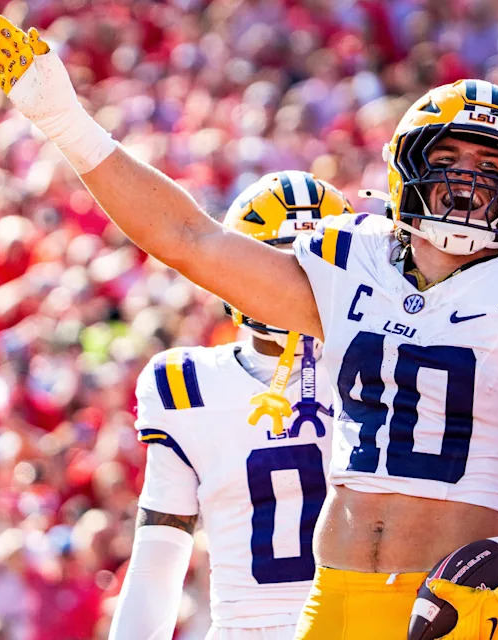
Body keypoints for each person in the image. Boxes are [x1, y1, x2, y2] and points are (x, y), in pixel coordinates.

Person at [0, 14, 498, 640]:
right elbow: (189, 239)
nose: (466, 183)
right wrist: (67, 122)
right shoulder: (353, 263)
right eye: (448, 159)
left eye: (489, 167)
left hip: (440, 606)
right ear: (406, 170)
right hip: (330, 600)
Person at [108, 171, 351, 640]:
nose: (288, 283)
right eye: (273, 262)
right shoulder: (184, 386)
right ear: (232, 268)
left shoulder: (384, 368)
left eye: (310, 266)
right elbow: (160, 555)